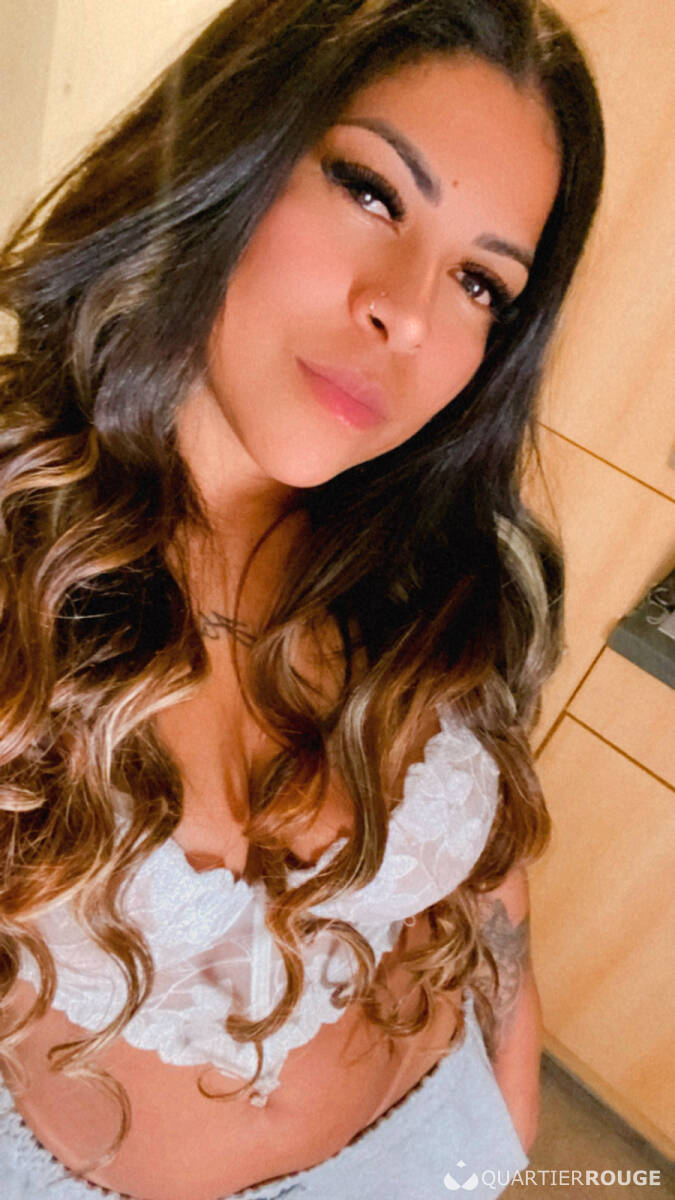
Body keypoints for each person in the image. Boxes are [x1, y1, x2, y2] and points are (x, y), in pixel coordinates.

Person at [0, 1, 604, 1197]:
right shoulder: (25, 553)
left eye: (481, 282)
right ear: (232, 151)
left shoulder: (451, 569)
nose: (409, 313)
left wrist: (503, 1113)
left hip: (441, 1140)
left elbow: (491, 872)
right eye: (373, 192)